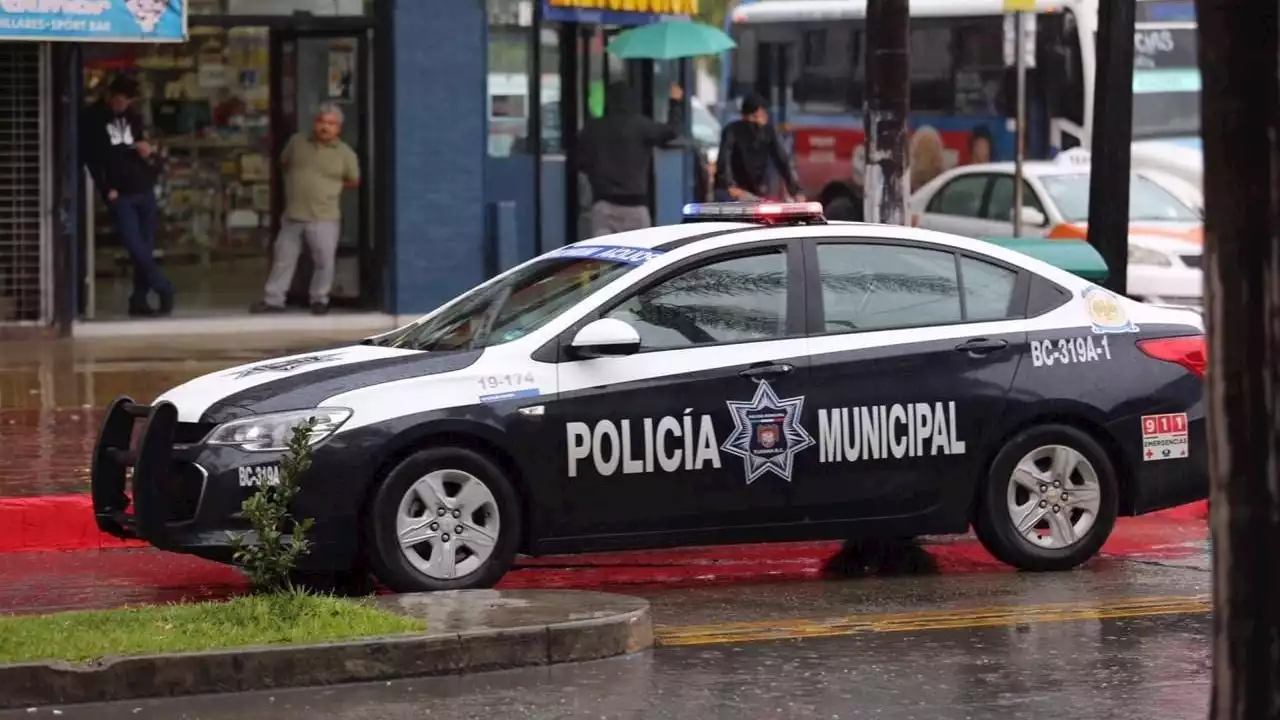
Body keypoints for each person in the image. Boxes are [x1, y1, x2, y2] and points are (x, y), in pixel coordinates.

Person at [251, 102, 360, 315]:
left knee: (324, 261)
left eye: (331, 124)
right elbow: (284, 164)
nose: (325, 127)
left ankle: (319, 299)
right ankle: (274, 300)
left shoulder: (345, 153)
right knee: (284, 259)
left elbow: (354, 180)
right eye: (321, 122)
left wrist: (329, 189)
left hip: (324, 216)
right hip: (294, 215)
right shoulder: (297, 143)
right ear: (314, 123)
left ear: (338, 128)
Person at [82, 75, 174, 317]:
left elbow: (144, 144)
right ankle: (162, 286)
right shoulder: (93, 118)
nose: (123, 105)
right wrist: (106, 189)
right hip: (119, 192)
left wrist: (148, 153)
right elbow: (91, 158)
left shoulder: (134, 118)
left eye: (128, 101)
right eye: (121, 100)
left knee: (146, 244)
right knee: (135, 245)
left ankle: (140, 299)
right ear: (111, 96)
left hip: (142, 187)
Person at [577, 81, 684, 237]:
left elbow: (580, 161)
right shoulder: (641, 125)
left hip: (603, 206)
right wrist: (674, 102)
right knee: (638, 256)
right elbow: (672, 131)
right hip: (636, 208)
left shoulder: (593, 128)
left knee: (604, 258)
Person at [713, 93, 804, 203]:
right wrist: (729, 185)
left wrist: (795, 191)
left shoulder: (768, 132)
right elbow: (724, 159)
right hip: (733, 190)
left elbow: (782, 161)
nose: (765, 116)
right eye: (761, 113)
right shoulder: (732, 131)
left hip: (755, 190)